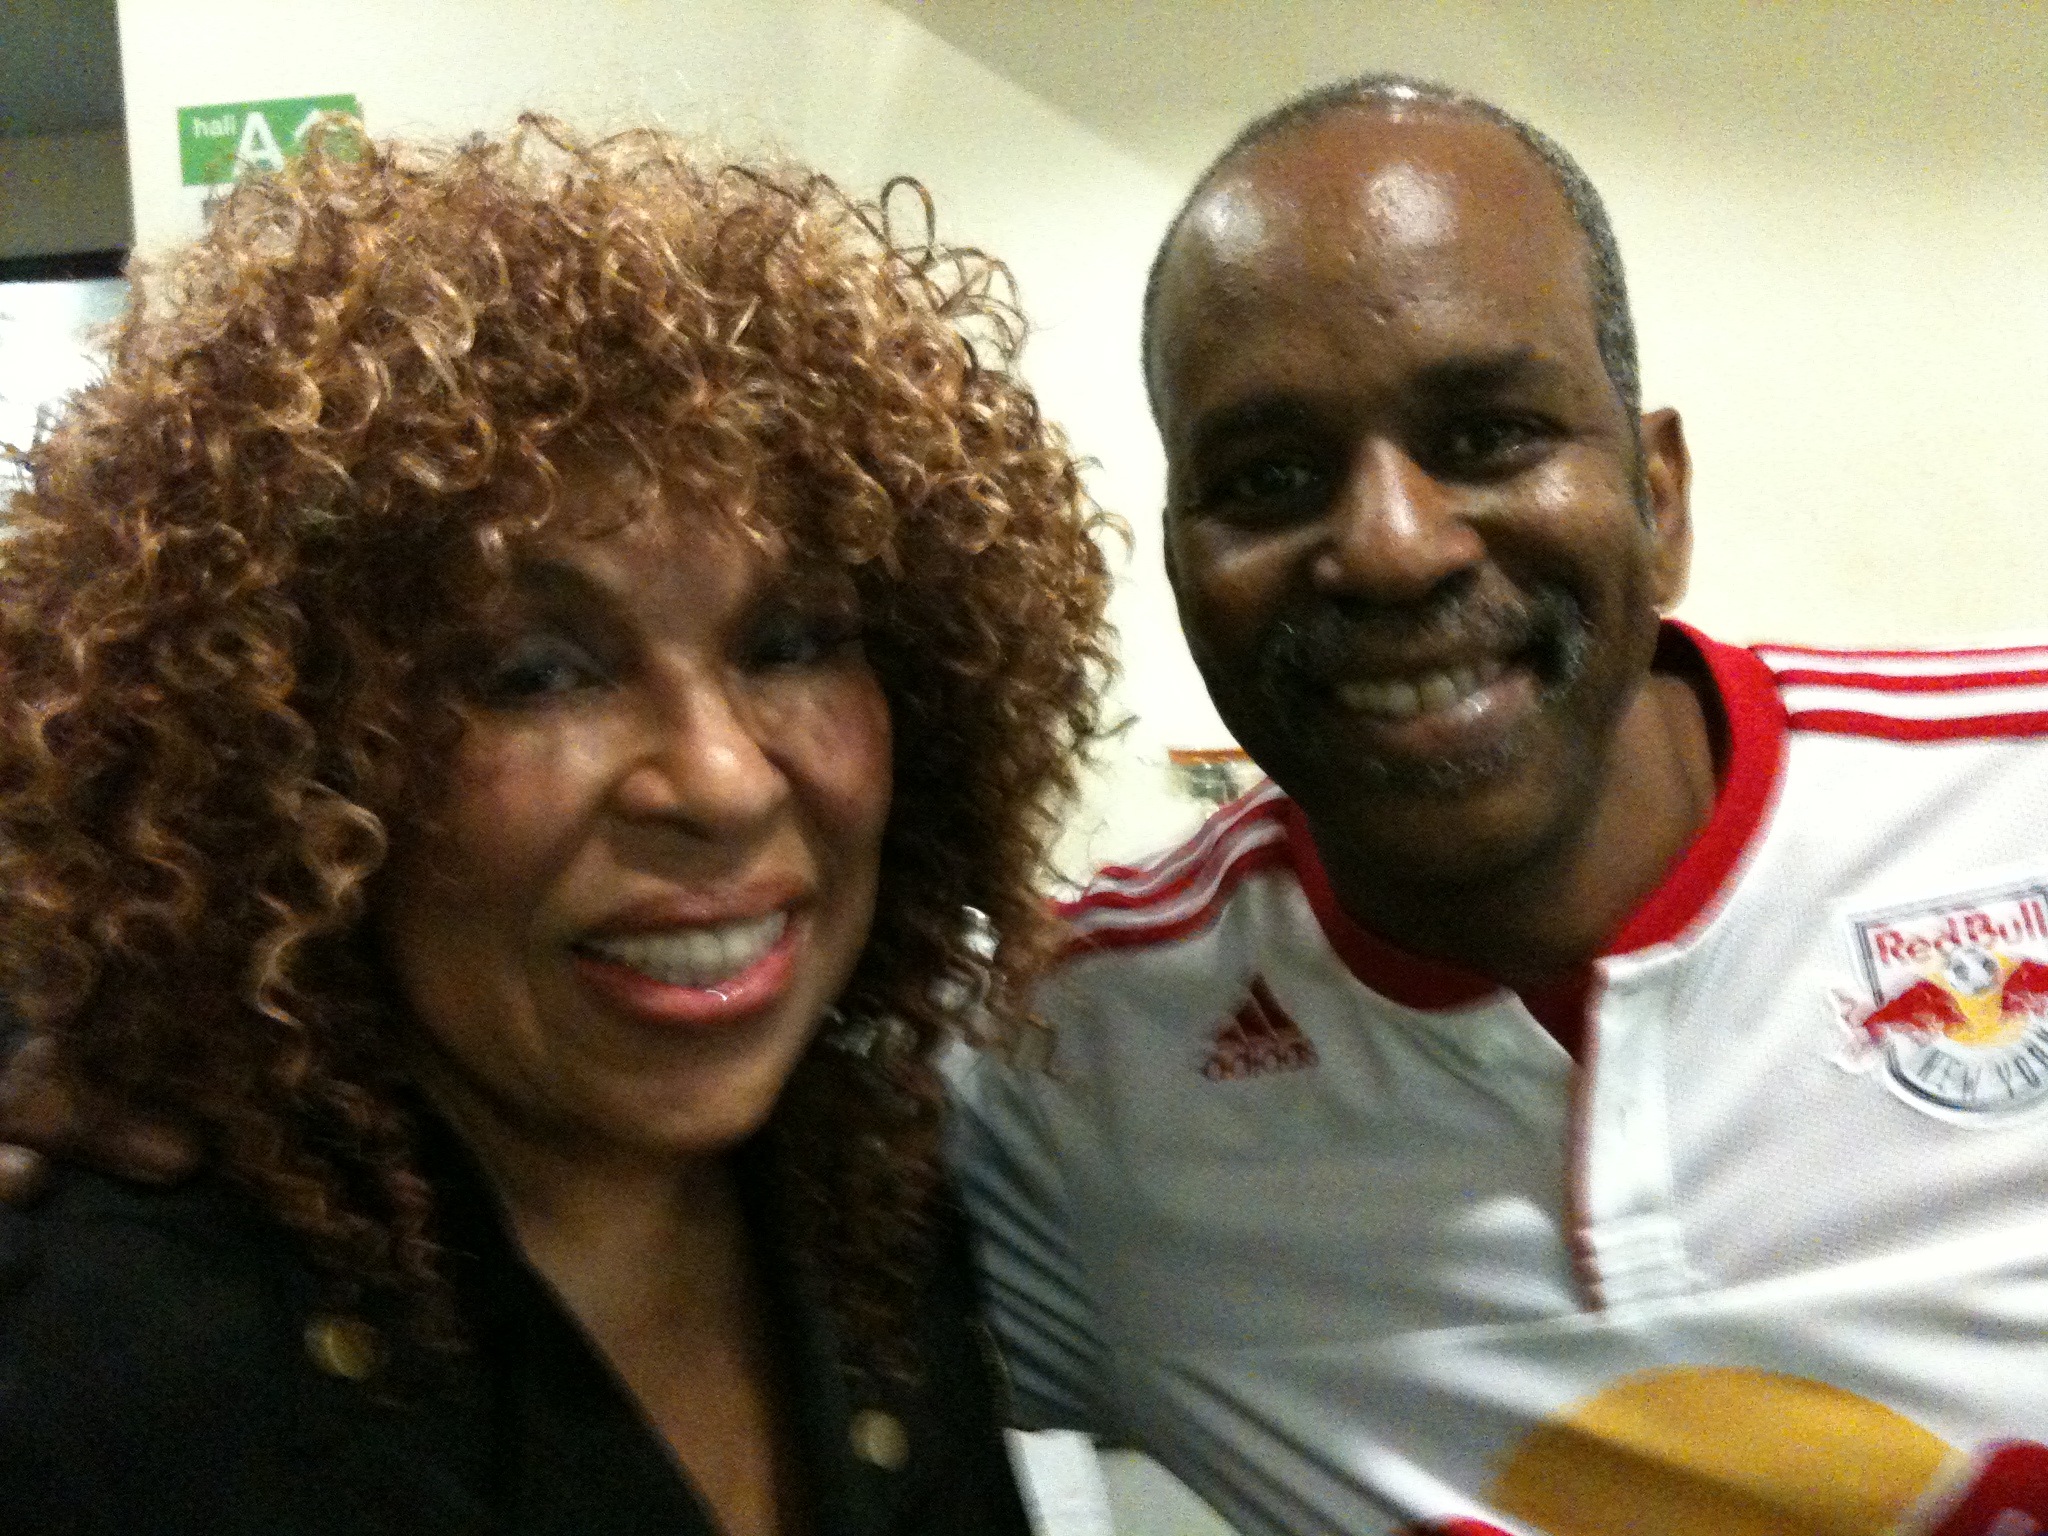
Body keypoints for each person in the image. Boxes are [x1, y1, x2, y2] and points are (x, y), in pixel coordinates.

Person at [949, 76, 2048, 1536]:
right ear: (1182, 567)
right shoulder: (1076, 1064)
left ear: (1658, 496)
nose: (1392, 548)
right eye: (1269, 477)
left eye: (1488, 437)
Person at [0, 119, 1112, 1535]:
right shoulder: (111, 1365)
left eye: (789, 643)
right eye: (535, 673)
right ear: (282, 764)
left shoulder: (874, 1208)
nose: (722, 781)